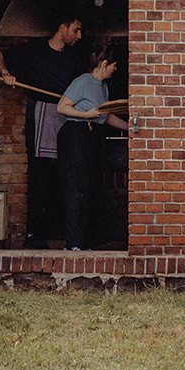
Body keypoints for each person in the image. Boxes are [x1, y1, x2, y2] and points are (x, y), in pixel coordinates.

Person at [0, 15, 82, 247]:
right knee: (40, 175)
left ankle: (68, 235)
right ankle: (35, 235)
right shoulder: (33, 51)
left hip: (67, 117)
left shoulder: (75, 59)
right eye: (75, 30)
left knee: (65, 174)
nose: (79, 36)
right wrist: (5, 73)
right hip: (40, 116)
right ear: (62, 26)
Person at [56, 41, 130, 251]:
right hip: (75, 134)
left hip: (92, 135)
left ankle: (84, 241)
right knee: (75, 188)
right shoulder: (83, 81)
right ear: (104, 63)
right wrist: (85, 114)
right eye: (113, 65)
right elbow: (62, 107)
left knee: (89, 188)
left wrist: (129, 128)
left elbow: (104, 116)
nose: (115, 69)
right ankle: (73, 243)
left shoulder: (103, 87)